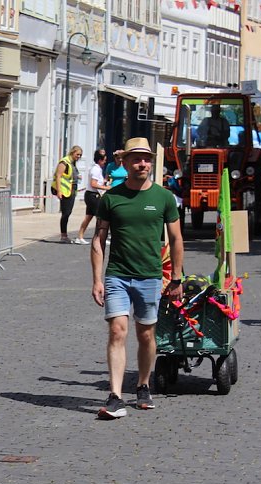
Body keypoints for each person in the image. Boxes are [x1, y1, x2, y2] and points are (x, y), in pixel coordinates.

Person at [90, 137, 184, 419]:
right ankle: (116, 395)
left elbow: (177, 239)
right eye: (136, 159)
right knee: (118, 330)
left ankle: (143, 385)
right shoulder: (111, 197)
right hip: (117, 274)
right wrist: (97, 279)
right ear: (125, 162)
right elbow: (98, 239)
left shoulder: (164, 198)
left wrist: (176, 278)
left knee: (146, 334)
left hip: (150, 276)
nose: (142, 164)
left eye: (146, 159)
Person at [73, 149, 110, 245]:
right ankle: (100, 237)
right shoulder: (96, 169)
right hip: (93, 196)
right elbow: (93, 184)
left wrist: (104, 182)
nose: (105, 162)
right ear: (100, 160)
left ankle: (79, 236)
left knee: (88, 217)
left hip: (91, 195)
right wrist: (106, 187)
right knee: (100, 217)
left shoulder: (97, 169)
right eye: (104, 160)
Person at [53, 145, 83, 243]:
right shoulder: (64, 162)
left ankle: (65, 235)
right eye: (77, 154)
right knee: (65, 213)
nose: (78, 156)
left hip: (72, 189)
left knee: (68, 212)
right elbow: (58, 176)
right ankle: (63, 235)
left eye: (80, 155)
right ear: (72, 152)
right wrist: (59, 191)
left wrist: (77, 177)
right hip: (65, 190)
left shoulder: (72, 163)